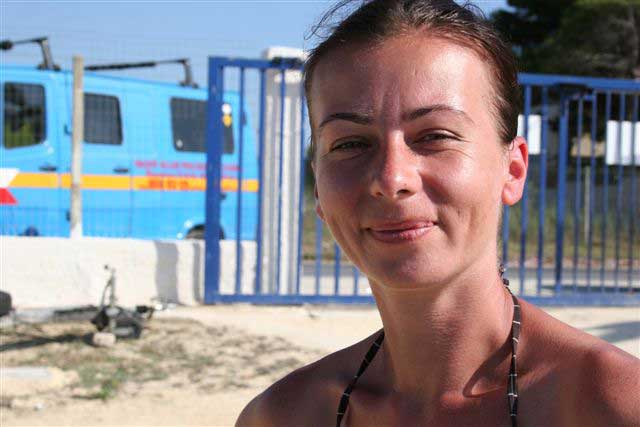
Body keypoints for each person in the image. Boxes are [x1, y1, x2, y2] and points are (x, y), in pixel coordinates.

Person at [237, 1, 640, 425]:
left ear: (513, 170)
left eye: (434, 136)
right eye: (350, 143)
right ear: (319, 185)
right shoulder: (282, 416)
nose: (392, 178)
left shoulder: (614, 407)